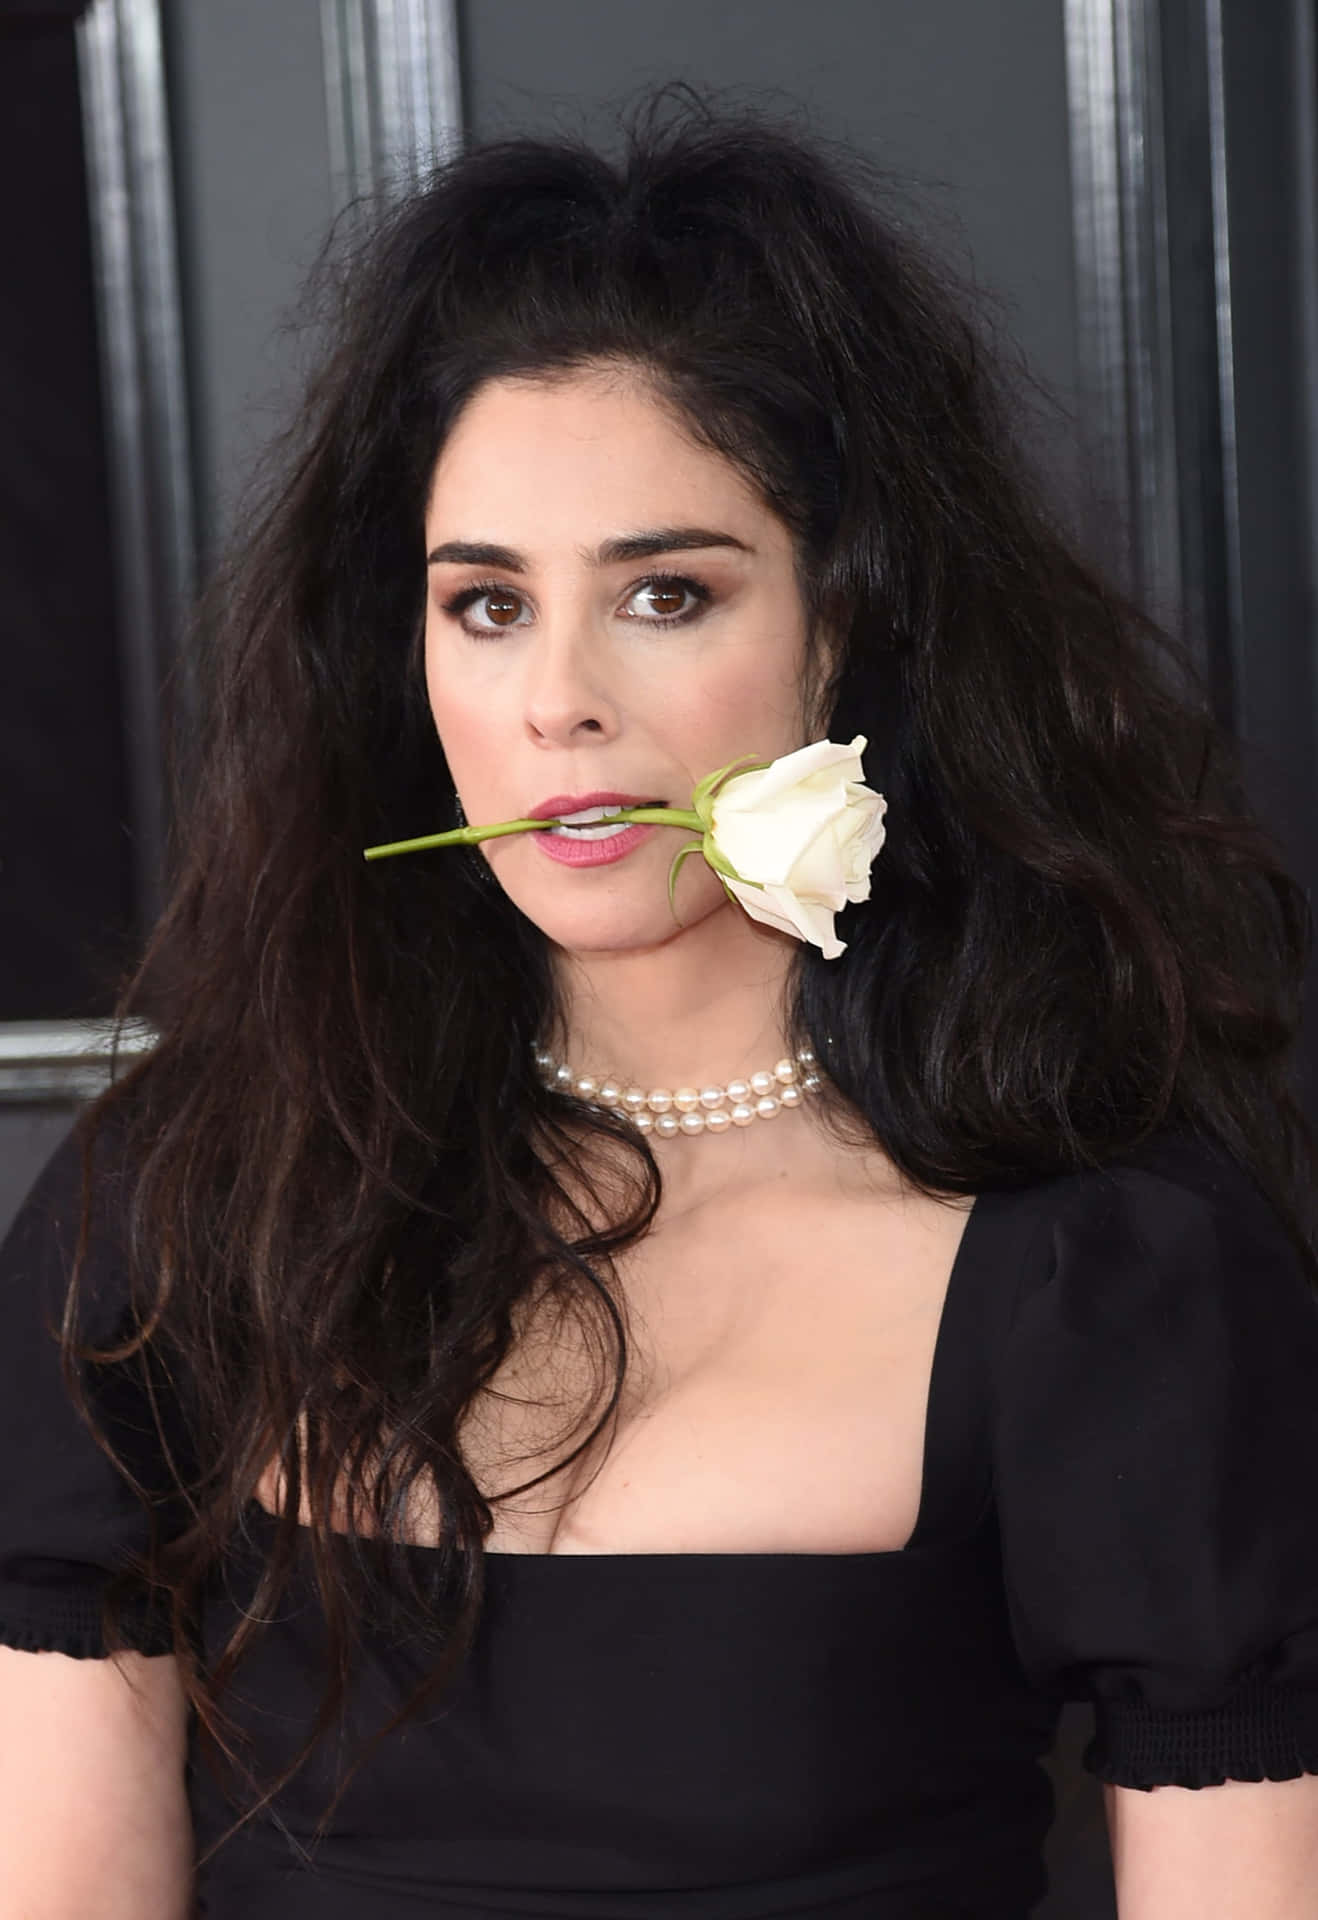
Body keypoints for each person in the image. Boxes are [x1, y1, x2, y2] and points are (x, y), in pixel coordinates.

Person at [2, 86, 1318, 1920]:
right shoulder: (188, 1205)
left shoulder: (1104, 1269)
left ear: (842, 634)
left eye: (667, 594)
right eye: (483, 607)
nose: (558, 703)